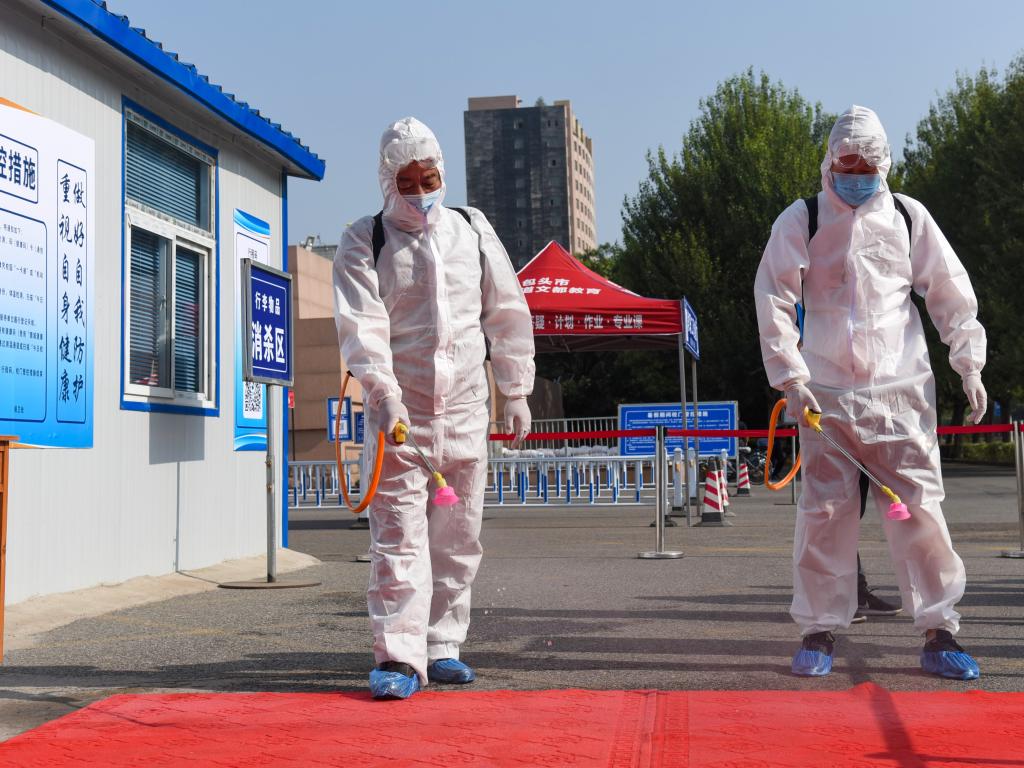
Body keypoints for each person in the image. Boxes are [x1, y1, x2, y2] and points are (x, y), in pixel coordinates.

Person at [754, 105, 987, 680]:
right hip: (826, 394)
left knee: (919, 510)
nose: (856, 177)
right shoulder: (803, 219)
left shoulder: (908, 217)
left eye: (866, 168)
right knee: (825, 514)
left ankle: (939, 631)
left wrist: (970, 364)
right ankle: (818, 630)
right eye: (847, 167)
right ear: (829, 163)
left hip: (900, 390)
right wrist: (792, 378)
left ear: (884, 166)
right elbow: (774, 298)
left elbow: (949, 291)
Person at [333, 117, 536, 699]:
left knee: (458, 536)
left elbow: (505, 310)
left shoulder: (471, 229)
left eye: (429, 178)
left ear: (442, 173)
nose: (420, 191)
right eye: (407, 181)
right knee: (399, 538)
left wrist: (516, 389)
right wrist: (384, 393)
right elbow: (362, 326)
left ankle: (443, 644)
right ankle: (399, 655)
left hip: (467, 412)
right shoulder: (365, 239)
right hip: (402, 417)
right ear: (387, 181)